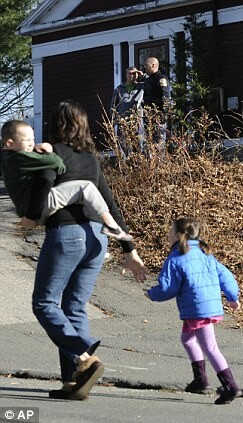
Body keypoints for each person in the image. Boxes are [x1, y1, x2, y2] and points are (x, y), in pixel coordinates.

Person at [21, 100, 147, 400]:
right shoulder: (91, 160)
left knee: (44, 303)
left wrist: (31, 215)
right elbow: (111, 205)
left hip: (67, 235)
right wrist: (129, 248)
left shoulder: (53, 155)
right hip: (96, 239)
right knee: (73, 308)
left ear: (56, 124)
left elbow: (43, 186)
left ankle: (84, 355)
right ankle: (75, 381)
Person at [145, 217, 242, 405]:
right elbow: (226, 276)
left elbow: (167, 288)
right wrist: (232, 297)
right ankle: (200, 380)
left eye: (170, 231)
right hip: (204, 307)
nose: (168, 234)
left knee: (210, 347)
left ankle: (231, 386)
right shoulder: (207, 255)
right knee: (187, 339)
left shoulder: (175, 258)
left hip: (198, 309)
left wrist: (152, 294)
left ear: (179, 235)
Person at [1, 120, 132, 241]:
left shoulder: (8, 159)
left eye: (33, 139)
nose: (32, 143)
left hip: (28, 206)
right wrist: (48, 150)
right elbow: (56, 163)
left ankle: (92, 242)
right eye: (26, 140)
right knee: (85, 188)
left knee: (81, 199)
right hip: (39, 205)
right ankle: (110, 225)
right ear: (10, 143)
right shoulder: (20, 157)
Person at [110, 66, 144, 157]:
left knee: (138, 146)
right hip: (123, 122)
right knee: (124, 146)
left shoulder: (141, 87)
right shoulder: (118, 89)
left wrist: (143, 75)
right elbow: (113, 106)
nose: (132, 76)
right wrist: (114, 120)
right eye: (130, 73)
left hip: (137, 122)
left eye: (134, 73)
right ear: (126, 75)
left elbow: (151, 83)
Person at [142, 57, 170, 145]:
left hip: (158, 117)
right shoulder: (148, 80)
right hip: (149, 118)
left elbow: (165, 97)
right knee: (150, 143)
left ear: (153, 65)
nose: (144, 67)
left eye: (146, 65)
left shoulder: (161, 79)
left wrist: (163, 115)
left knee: (159, 144)